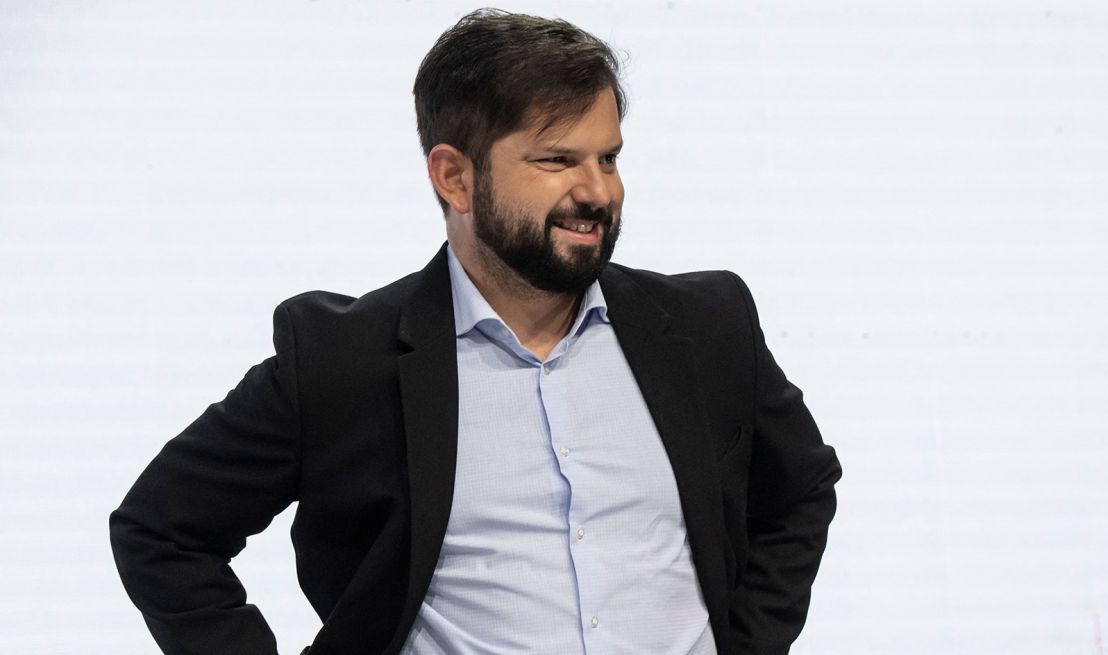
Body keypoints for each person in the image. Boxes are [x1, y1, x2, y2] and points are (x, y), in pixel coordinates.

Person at [110, 8, 841, 655]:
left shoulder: (708, 325)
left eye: (609, 157)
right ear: (454, 177)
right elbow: (161, 528)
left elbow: (802, 488)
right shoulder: (341, 359)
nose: (596, 190)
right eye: (557, 159)